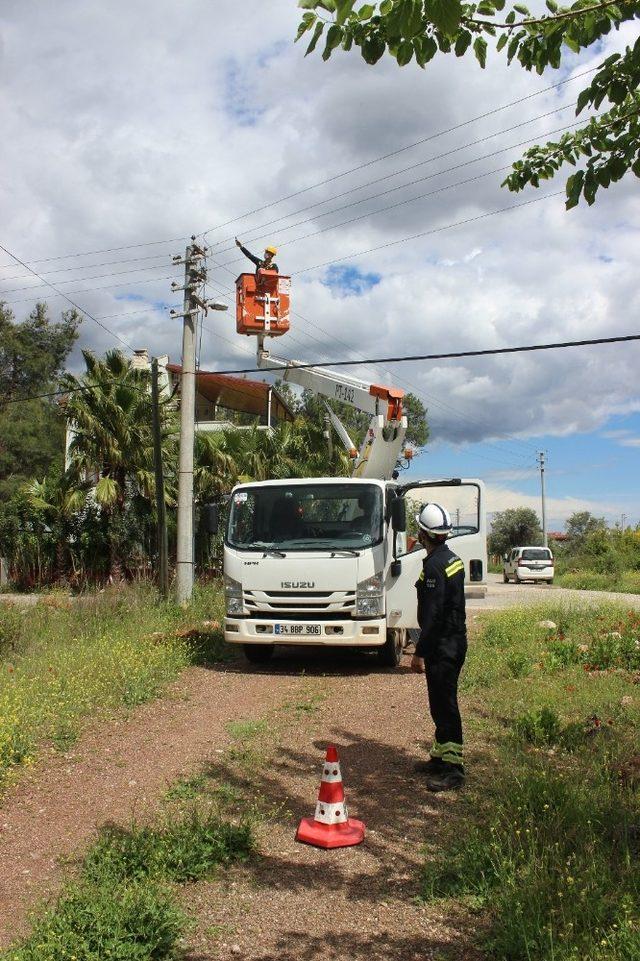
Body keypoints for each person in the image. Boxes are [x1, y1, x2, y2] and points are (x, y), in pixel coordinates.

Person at [410, 503, 467, 792]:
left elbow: (432, 616)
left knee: (445, 706)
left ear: (423, 533)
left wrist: (419, 652)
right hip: (453, 641)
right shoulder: (451, 559)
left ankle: (453, 769)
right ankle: (438, 757)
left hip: (443, 646)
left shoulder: (434, 564)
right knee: (439, 703)